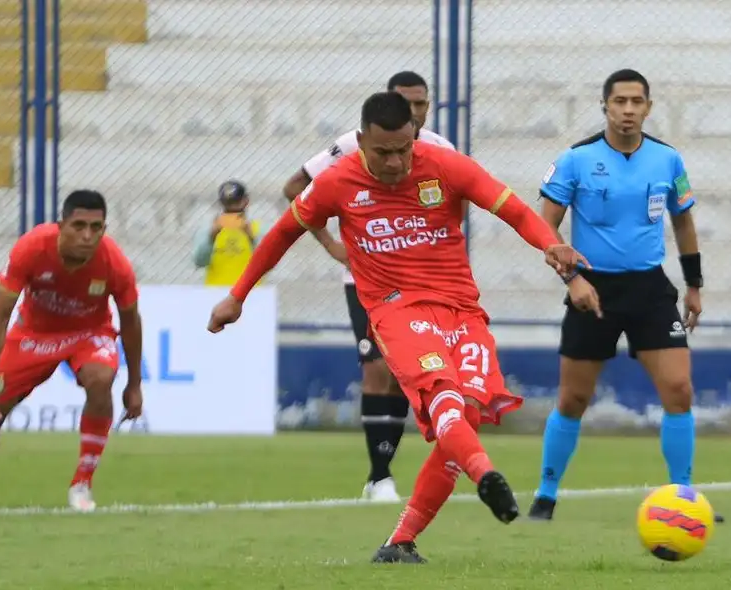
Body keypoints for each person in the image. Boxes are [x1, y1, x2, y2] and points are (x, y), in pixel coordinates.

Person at [209, 91, 591, 563]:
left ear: (414, 138)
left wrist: (549, 244)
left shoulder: (446, 165)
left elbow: (512, 209)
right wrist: (237, 295)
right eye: (382, 152)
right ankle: (485, 474)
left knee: (467, 418)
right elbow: (283, 233)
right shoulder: (336, 182)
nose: (394, 162)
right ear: (360, 141)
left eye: (403, 150)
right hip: (397, 311)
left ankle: (400, 542)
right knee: (444, 396)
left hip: (462, 310)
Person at [526, 69, 723, 523]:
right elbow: (543, 226)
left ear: (648, 107)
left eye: (637, 101)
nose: (628, 110)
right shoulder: (576, 160)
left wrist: (694, 285)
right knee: (573, 399)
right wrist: (573, 280)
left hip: (650, 289)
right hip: (593, 289)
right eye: (620, 101)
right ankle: (546, 493)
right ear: (605, 106)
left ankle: (683, 494)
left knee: (679, 390)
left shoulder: (667, 160)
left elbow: (683, 221)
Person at [282, 71, 456, 502]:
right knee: (377, 369)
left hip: (419, 282)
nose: (413, 111)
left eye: (420, 104)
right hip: (365, 280)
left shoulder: (441, 150)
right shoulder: (350, 145)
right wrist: (331, 244)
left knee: (402, 376)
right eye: (404, 102)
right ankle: (380, 477)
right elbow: (295, 188)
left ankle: (381, 472)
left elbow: (459, 201)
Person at [0, 190, 144, 513]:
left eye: (96, 228)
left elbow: (131, 323)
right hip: (33, 335)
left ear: (104, 229)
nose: (87, 236)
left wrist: (134, 384)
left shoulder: (115, 263)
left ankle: (82, 483)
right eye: (79, 226)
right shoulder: (31, 248)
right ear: (61, 225)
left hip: (88, 333)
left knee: (101, 379)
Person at [192, 180, 263, 286]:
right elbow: (199, 262)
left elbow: (267, 262)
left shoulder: (258, 228)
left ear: (246, 201)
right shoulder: (208, 228)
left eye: (236, 202)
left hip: (250, 292)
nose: (232, 207)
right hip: (217, 291)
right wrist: (211, 238)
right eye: (228, 203)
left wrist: (251, 238)